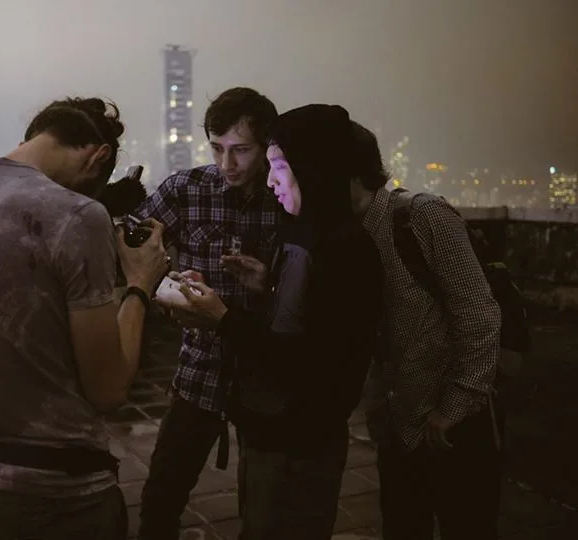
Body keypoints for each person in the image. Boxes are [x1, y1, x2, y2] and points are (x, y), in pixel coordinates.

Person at [0, 97, 169, 540]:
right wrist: (140, 283)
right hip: (63, 496)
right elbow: (108, 390)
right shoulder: (77, 215)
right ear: (99, 156)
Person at [161, 104, 384, 539]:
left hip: (302, 440)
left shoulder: (346, 250)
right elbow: (298, 320)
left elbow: (307, 359)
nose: (270, 180)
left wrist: (221, 317)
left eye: (280, 167)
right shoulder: (301, 231)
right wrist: (268, 286)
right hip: (268, 427)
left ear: (313, 171)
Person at [135, 87, 283, 539]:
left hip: (266, 366)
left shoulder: (285, 195)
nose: (227, 164)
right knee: (163, 491)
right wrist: (168, 291)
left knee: (266, 503)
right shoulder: (187, 189)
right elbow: (133, 251)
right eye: (217, 149)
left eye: (241, 150)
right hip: (202, 364)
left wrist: (267, 284)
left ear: (267, 146)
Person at [352, 123, 503, 538]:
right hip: (398, 426)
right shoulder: (349, 234)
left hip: (455, 424)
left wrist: (454, 408)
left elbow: (479, 315)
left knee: (467, 526)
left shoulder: (421, 215)